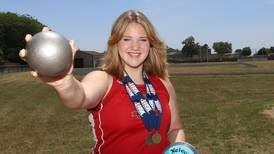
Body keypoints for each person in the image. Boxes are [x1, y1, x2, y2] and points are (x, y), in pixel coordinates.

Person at [20, 10, 186, 154]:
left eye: (142, 39)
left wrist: (181, 149)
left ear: (150, 44)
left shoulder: (163, 85)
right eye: (126, 39)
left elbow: (174, 129)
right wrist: (63, 82)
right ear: (115, 43)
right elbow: (79, 97)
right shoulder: (103, 80)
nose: (135, 46)